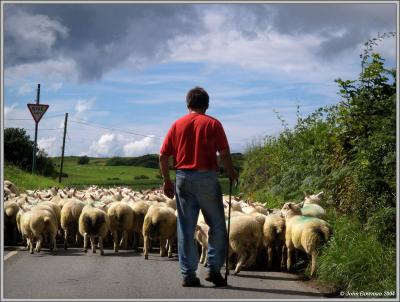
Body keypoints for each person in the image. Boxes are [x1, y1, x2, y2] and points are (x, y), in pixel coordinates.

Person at [159, 86, 238, 287]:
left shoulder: (177, 125)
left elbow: (163, 156)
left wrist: (166, 179)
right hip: (206, 178)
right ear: (207, 104)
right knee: (218, 225)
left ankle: (188, 275)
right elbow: (224, 151)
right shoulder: (213, 124)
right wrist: (230, 172)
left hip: (182, 177)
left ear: (188, 104)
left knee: (185, 227)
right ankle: (213, 269)